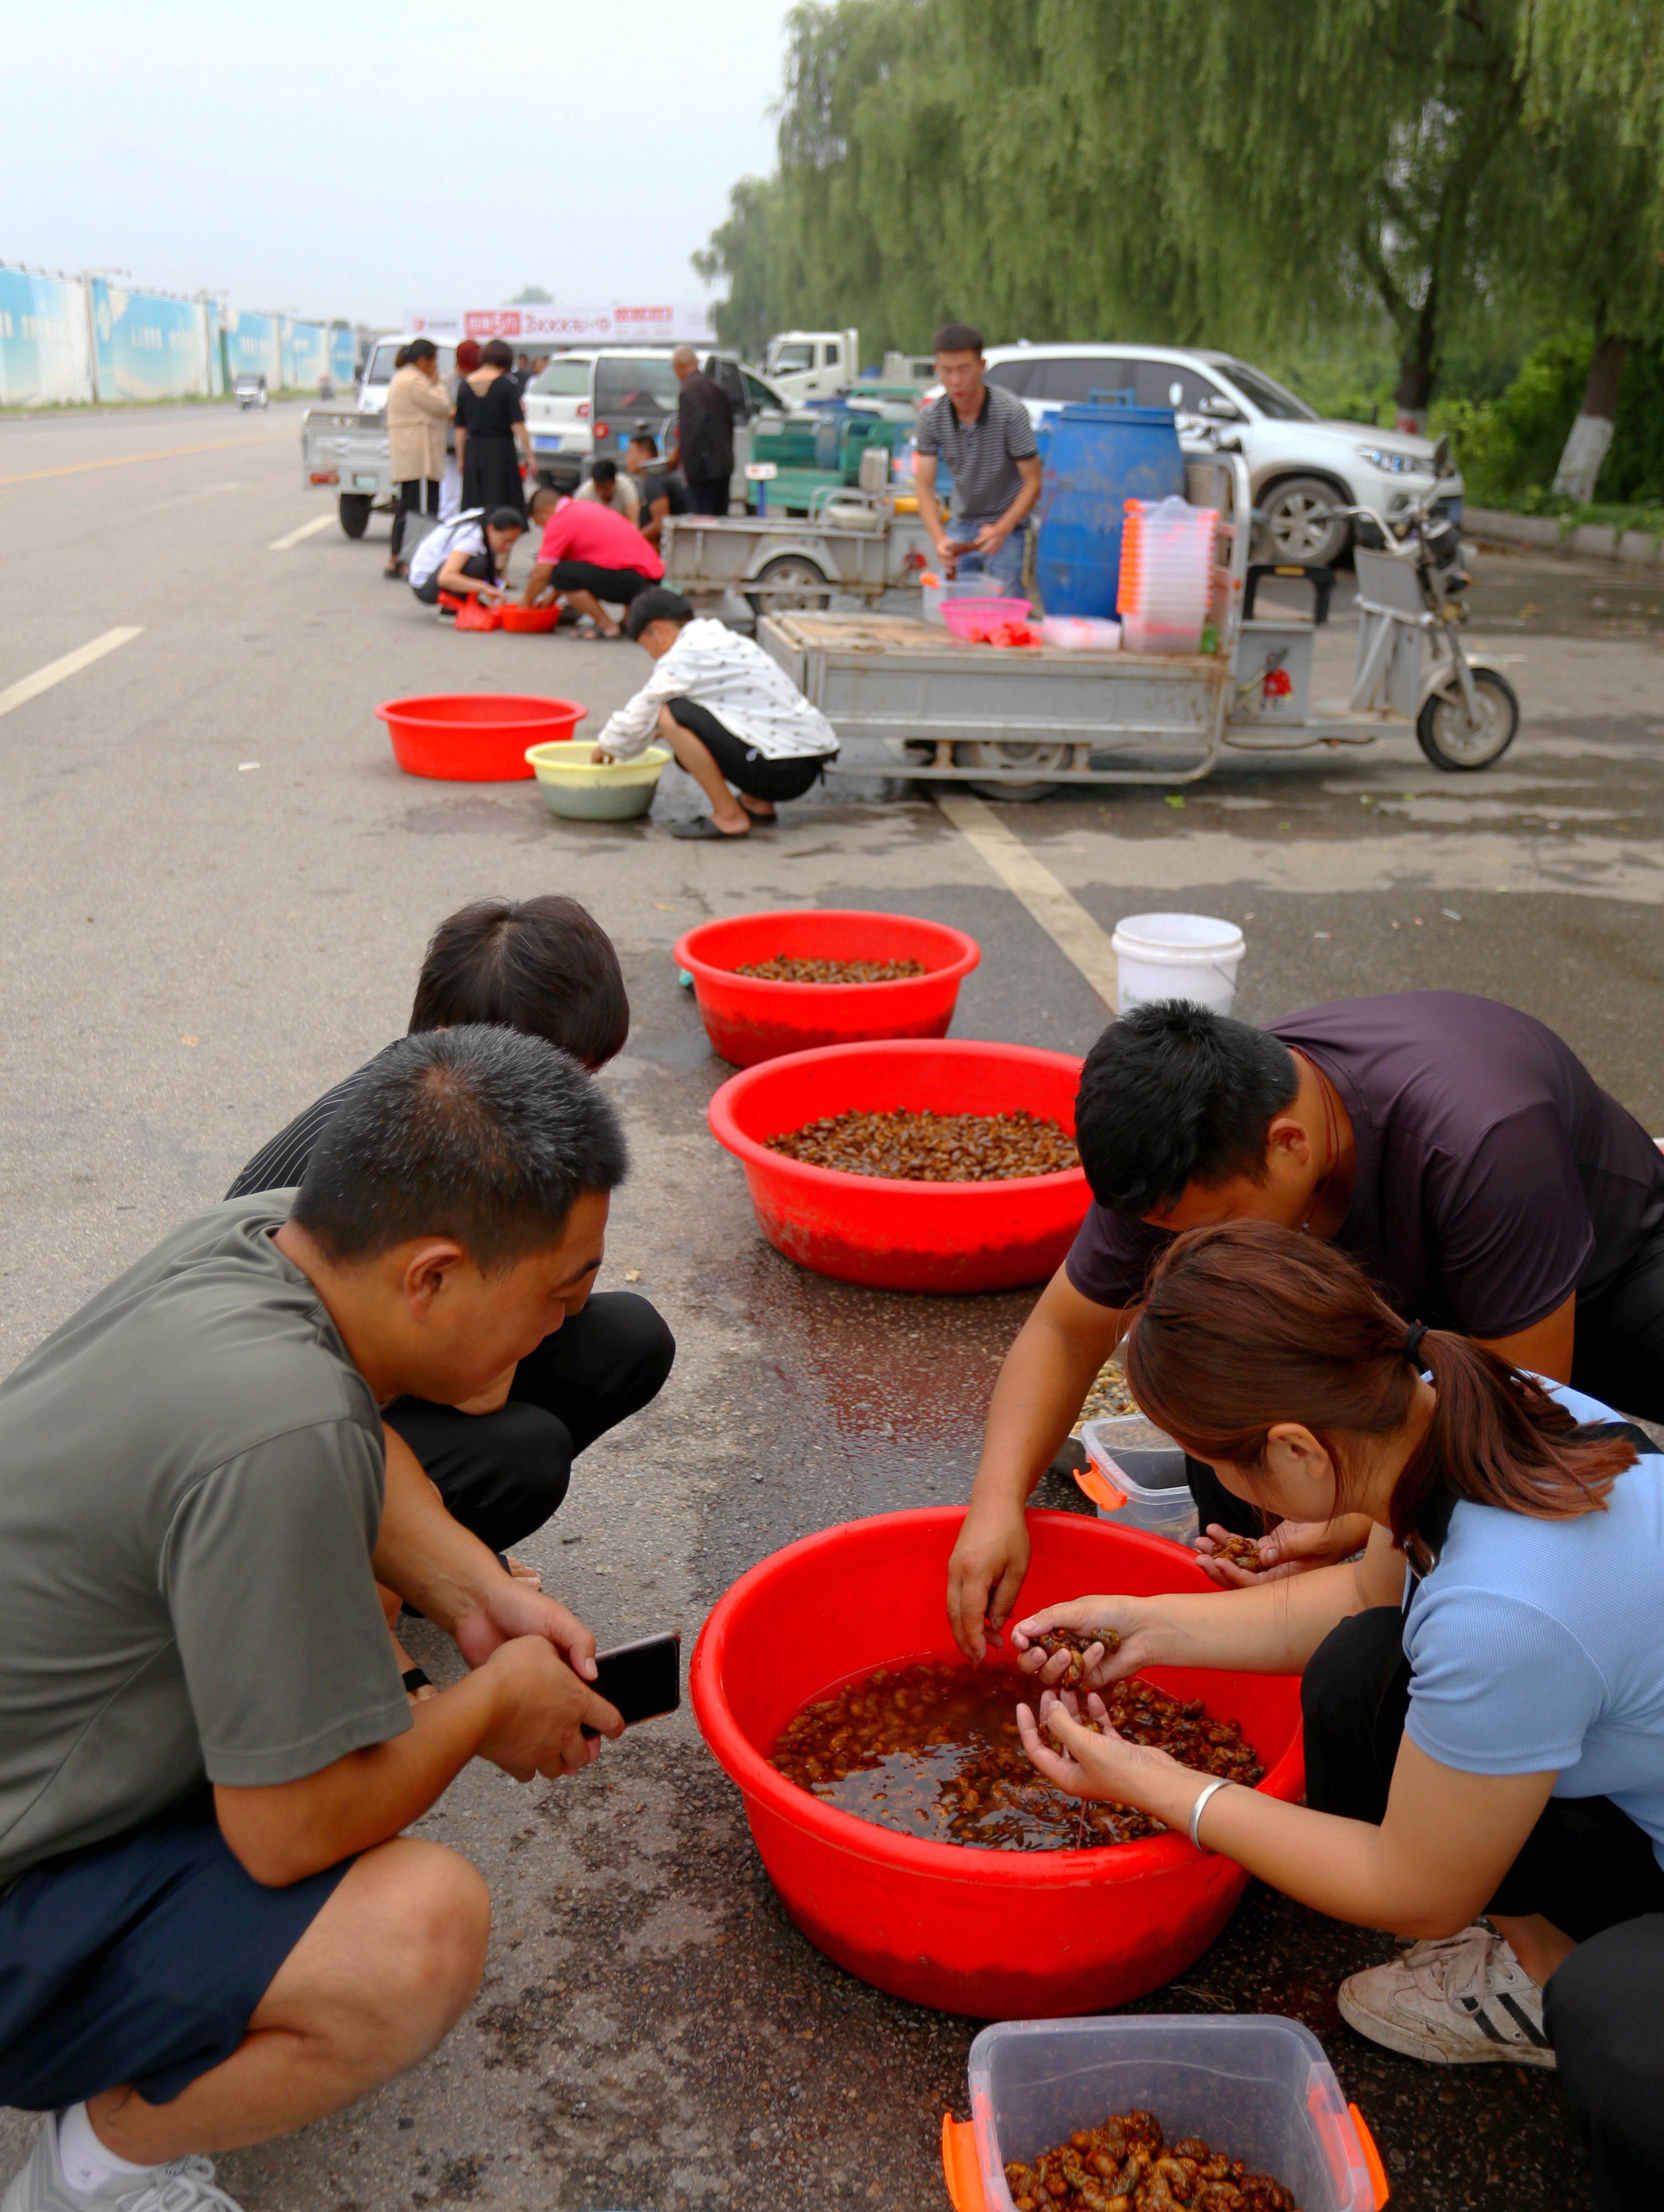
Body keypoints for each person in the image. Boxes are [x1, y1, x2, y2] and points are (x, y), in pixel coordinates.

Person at [0, 1026, 628, 2212]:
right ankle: (88, 2172)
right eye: (555, 1297)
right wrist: (486, 1705)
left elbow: (345, 1424)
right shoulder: (280, 1439)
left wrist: (470, 1588)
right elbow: (287, 1836)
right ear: (432, 1276)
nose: (564, 1326)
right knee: (413, 1938)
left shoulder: (256, 1243)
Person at [1011, 1221, 1664, 2212]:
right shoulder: (1475, 1406)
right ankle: (1537, 1968)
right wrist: (1148, 1625)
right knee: (1364, 1673)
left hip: (1591, 1787)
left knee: (1617, 2023)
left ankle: (1574, 1995)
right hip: (1621, 1759)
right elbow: (1361, 1607)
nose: (1220, 1487)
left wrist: (1158, 1783)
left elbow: (1414, 1890)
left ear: (1296, 1450)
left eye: (1217, 1464)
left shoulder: (1502, 1613)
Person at [945, 992, 1664, 1656]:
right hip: (1406, 1312)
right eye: (1173, 1234)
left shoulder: (1480, 1140)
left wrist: (1356, 1513)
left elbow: (1515, 1407)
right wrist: (995, 1503)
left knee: (1505, 1522)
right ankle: (1271, 1612)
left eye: (1217, 1226)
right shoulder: (1176, 1155)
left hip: (1611, 1276)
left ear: (1290, 1146)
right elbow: (1066, 1332)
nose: (1197, 1250)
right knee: (1220, 1373)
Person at [227, 894, 674, 1582]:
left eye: (584, 1079)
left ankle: (434, 1548)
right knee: (523, 1454)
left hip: (368, 1374)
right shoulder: (431, 1149)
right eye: (561, 1079)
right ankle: (359, 1582)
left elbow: (561, 1304)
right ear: (460, 1043)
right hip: (269, 1438)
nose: (576, 1102)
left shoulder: (438, 1095)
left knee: (630, 1339)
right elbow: (478, 1394)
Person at [592, 588, 838, 841]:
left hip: (782, 771)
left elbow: (645, 709)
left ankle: (729, 816)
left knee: (669, 715)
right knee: (690, 715)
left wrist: (607, 746)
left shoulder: (684, 656)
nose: (652, 655)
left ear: (659, 631)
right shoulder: (721, 639)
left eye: (648, 646)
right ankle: (757, 801)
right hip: (801, 763)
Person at [915, 319, 1041, 596]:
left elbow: (1034, 482)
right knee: (957, 609)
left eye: (965, 369)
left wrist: (1002, 529)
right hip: (961, 525)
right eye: (947, 371)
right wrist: (939, 540)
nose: (956, 381)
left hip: (1009, 528)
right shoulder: (930, 417)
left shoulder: (1011, 412)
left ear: (982, 367)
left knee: (1006, 612)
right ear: (937, 370)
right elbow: (924, 486)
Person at [521, 484, 663, 637]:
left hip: (635, 578)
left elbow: (542, 573)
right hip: (649, 576)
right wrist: (553, 596)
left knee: (559, 572)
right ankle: (627, 621)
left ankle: (607, 626)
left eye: (540, 524)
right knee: (565, 572)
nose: (544, 528)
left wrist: (526, 603)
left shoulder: (560, 521)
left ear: (545, 513)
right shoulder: (581, 508)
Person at [383, 338, 454, 579]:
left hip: (415, 452)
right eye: (435, 362)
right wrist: (439, 384)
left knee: (411, 505)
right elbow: (441, 406)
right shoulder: (414, 379)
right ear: (425, 360)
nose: (436, 367)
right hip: (417, 453)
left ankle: (400, 559)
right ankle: (405, 559)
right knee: (416, 508)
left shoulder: (407, 376)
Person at [455, 337, 531, 522]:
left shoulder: (465, 386)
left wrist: (461, 458)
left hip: (474, 449)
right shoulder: (506, 386)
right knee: (500, 501)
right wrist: (530, 455)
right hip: (501, 450)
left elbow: (460, 427)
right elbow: (518, 424)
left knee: (475, 504)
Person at [407, 506, 524, 610]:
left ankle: (466, 603)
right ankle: (452, 609)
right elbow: (446, 578)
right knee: (478, 562)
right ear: (491, 529)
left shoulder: (485, 519)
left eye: (513, 542)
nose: (508, 547)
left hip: (435, 574)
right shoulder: (472, 536)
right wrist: (484, 588)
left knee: (483, 559)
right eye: (506, 541)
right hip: (424, 586)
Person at [668, 344, 733, 516]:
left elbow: (692, 433)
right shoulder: (718, 388)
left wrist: (689, 470)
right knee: (720, 523)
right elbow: (727, 427)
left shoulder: (688, 390)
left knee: (702, 523)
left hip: (703, 472)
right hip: (723, 467)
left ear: (680, 365)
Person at [626, 429, 688, 550]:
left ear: (645, 455)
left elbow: (661, 523)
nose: (627, 460)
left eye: (630, 454)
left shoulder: (654, 482)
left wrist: (634, 539)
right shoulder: (656, 480)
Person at [575, 456, 641, 525]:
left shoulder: (625, 487)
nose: (602, 494)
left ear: (614, 482)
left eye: (606, 490)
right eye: (598, 489)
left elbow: (634, 524)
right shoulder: (585, 493)